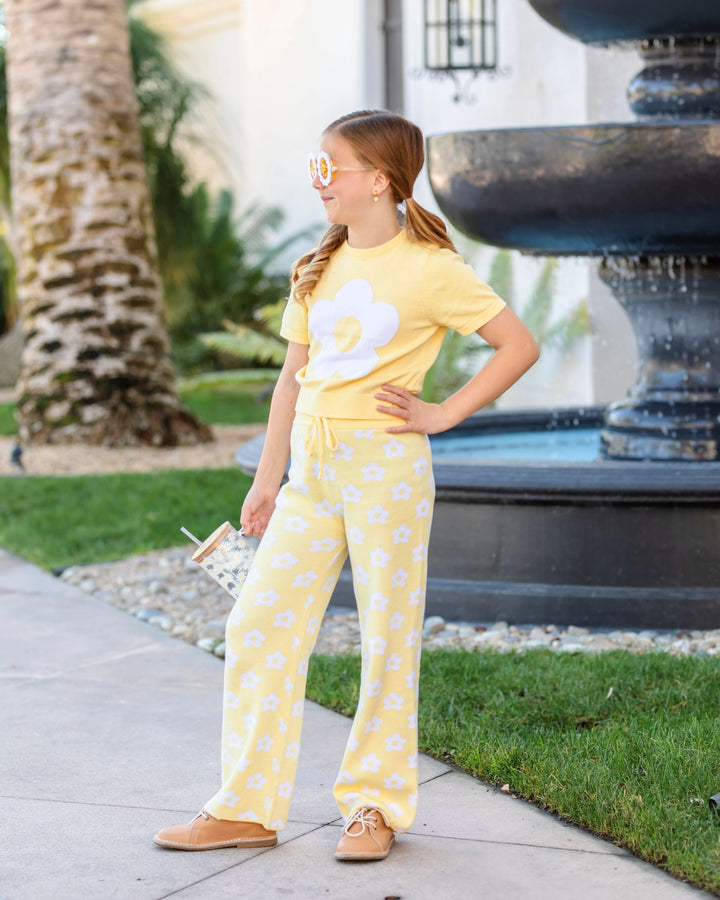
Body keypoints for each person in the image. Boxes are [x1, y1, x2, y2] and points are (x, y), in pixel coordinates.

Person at [154, 109, 539, 862]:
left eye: (330, 168)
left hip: (385, 468)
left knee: (386, 634)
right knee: (258, 624)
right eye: (315, 166)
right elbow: (289, 383)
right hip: (311, 471)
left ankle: (375, 805)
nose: (319, 181)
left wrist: (445, 412)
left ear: (381, 180)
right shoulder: (317, 265)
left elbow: (516, 344)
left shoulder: (432, 269)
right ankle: (245, 806)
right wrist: (269, 481)